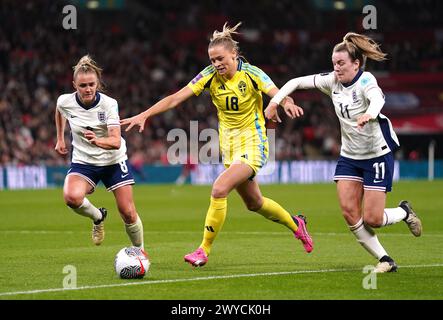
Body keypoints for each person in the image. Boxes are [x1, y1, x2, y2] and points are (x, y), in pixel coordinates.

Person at [121, 22, 313, 267]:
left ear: (234, 55)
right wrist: (145, 114)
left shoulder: (252, 73)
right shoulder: (209, 76)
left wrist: (285, 103)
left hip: (253, 144)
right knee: (255, 203)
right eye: (212, 60)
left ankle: (203, 250)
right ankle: (297, 225)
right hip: (229, 147)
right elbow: (176, 97)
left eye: (220, 58)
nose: (216, 64)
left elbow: (276, 91)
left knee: (219, 188)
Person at [266, 32, 422, 273]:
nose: (336, 68)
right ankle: (385, 260)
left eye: (341, 63)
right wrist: (275, 102)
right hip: (350, 156)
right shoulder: (332, 82)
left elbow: (377, 99)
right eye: (334, 63)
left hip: (376, 154)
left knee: (373, 219)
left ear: (356, 63)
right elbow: (296, 82)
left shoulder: (366, 80)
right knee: (350, 212)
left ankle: (404, 211)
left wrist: (370, 113)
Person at [55, 55, 145, 250]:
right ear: (74, 85)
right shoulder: (65, 101)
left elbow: (115, 141)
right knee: (71, 197)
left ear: (98, 83)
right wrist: (60, 138)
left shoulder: (109, 104)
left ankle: (140, 252)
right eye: (83, 85)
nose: (88, 89)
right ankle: (98, 216)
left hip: (113, 160)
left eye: (91, 84)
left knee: (128, 212)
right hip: (84, 162)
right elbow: (59, 111)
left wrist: (98, 141)